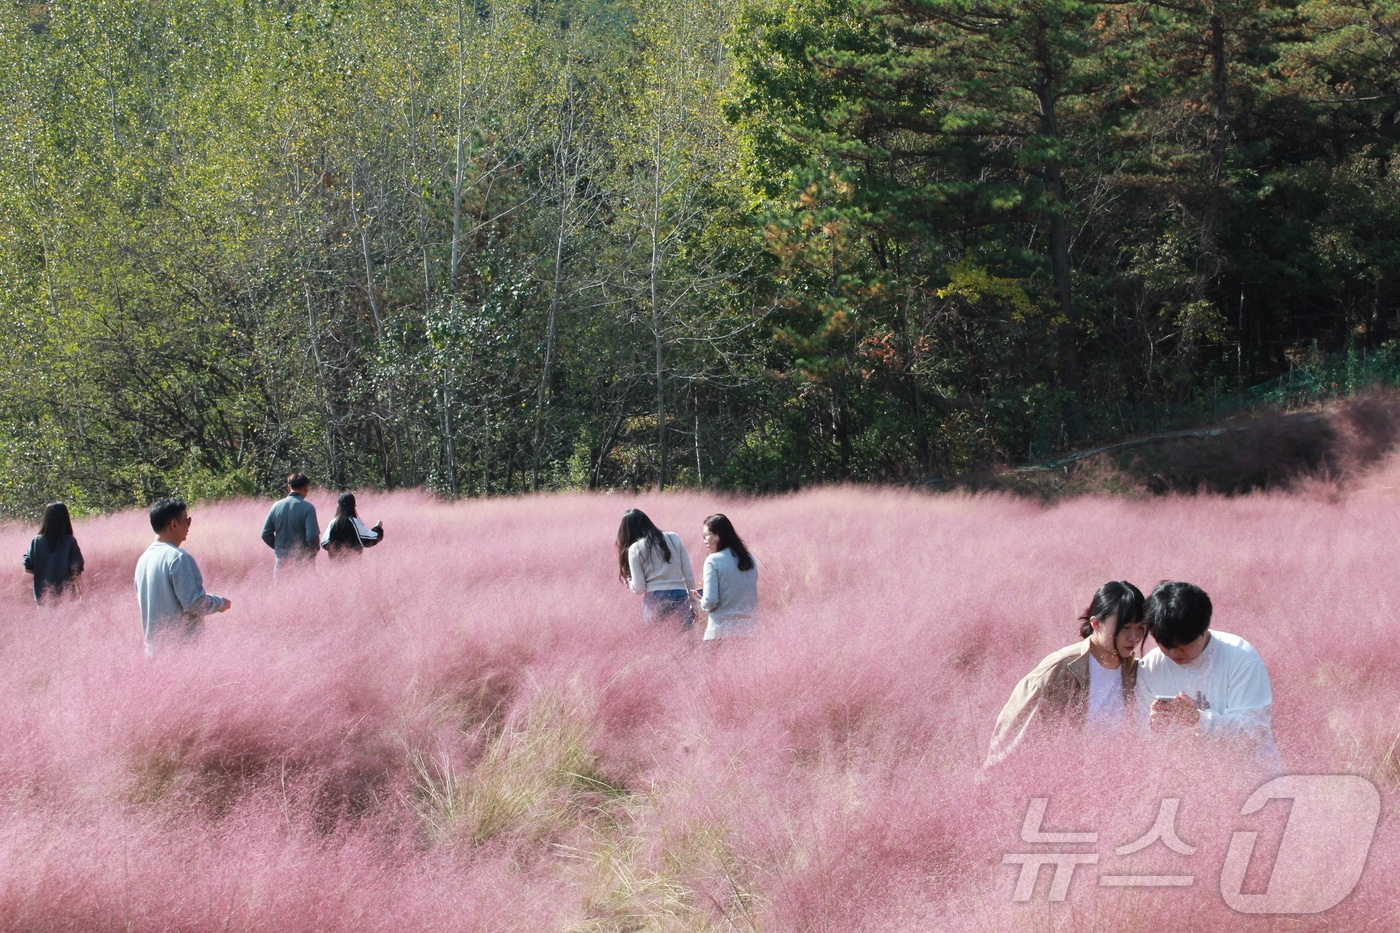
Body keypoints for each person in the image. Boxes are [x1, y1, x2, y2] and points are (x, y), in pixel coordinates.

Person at [984, 581, 1147, 768]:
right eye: (1125, 628)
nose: (1134, 637)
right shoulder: (1061, 669)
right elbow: (1012, 741)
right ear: (1096, 624)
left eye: (1141, 627)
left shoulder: (1136, 671)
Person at [1135, 581, 1280, 769]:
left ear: (1204, 628)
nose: (1174, 653)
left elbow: (1253, 732)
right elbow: (1141, 738)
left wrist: (1198, 720)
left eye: (1184, 644)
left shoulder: (1241, 656)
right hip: (1190, 785)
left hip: (1252, 781)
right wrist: (1154, 727)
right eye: (1166, 645)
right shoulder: (1150, 666)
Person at [134, 498, 231, 654]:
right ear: (174, 524)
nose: (188, 526)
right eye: (187, 520)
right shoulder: (178, 558)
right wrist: (219, 603)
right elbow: (194, 604)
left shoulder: (143, 559)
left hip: (153, 651)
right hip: (181, 652)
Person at [616, 509, 697, 629]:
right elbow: (688, 574)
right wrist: (693, 602)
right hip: (680, 595)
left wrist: (628, 580)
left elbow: (639, 588)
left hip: (654, 598)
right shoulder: (674, 538)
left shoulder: (635, 548)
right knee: (686, 644)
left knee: (658, 641)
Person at [696, 513, 758, 644]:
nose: (704, 540)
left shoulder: (712, 560)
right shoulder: (749, 559)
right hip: (750, 632)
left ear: (719, 535)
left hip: (720, 633)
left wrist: (702, 601)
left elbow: (711, 601)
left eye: (706, 535)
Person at [23, 501, 85, 604]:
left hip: (42, 598)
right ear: (65, 518)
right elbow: (76, 571)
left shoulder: (36, 542)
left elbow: (28, 568)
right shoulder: (70, 541)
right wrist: (83, 594)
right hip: (66, 597)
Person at [261, 472, 320, 573]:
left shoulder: (276, 506)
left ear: (289, 488)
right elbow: (312, 537)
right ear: (305, 487)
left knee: (280, 588)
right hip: (303, 561)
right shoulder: (308, 508)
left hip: (281, 562)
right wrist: (311, 553)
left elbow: (265, 534)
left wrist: (279, 548)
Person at [320, 492, 384, 560]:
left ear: (339, 507)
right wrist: (378, 528)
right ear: (353, 506)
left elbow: (324, 543)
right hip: (353, 565)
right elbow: (370, 539)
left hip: (334, 566)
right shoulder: (355, 522)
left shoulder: (332, 523)